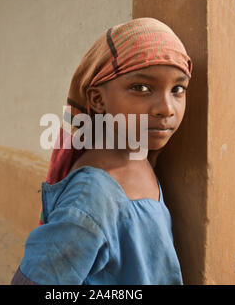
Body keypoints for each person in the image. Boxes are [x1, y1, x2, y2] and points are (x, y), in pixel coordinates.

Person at [11, 17, 193, 285]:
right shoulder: (93, 195)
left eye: (178, 89)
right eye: (141, 88)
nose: (166, 108)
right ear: (97, 99)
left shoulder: (140, 160)